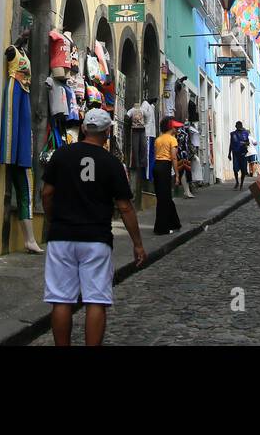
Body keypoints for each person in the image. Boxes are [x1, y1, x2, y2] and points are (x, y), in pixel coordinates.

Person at [41, 107, 146, 345]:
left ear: (83, 129)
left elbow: (47, 193)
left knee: (61, 300)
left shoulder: (61, 155)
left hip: (62, 237)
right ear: (107, 132)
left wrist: (51, 220)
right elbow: (126, 207)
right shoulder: (112, 163)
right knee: (96, 300)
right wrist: (137, 244)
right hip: (96, 239)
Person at [152, 118, 183, 235]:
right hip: (165, 166)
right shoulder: (172, 140)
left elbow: (156, 154)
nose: (177, 129)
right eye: (176, 127)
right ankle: (161, 228)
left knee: (163, 197)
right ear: (171, 128)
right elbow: (174, 158)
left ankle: (174, 223)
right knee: (165, 199)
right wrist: (177, 174)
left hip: (157, 167)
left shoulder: (158, 139)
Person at [228, 121, 250, 189]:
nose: (239, 127)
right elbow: (231, 144)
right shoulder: (233, 134)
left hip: (243, 153)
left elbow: (248, 142)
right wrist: (229, 153)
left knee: (243, 170)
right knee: (235, 168)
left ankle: (241, 184)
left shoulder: (245, 133)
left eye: (240, 125)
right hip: (235, 154)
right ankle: (237, 181)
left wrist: (245, 143)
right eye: (237, 125)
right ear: (236, 126)